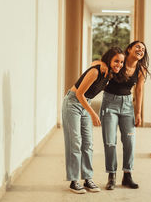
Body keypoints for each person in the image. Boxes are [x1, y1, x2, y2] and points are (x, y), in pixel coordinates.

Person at [62, 47, 124, 194]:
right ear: (109, 60)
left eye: (121, 62)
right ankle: (74, 181)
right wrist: (93, 114)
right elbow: (79, 94)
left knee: (88, 143)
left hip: (85, 104)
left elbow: (94, 62)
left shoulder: (108, 73)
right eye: (116, 61)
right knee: (75, 142)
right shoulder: (96, 71)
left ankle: (88, 178)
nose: (119, 65)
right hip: (73, 103)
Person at [99, 41, 151, 190]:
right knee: (110, 142)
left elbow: (139, 91)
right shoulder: (118, 62)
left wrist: (138, 112)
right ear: (129, 49)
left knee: (129, 141)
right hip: (110, 104)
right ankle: (112, 175)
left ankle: (127, 175)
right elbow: (100, 63)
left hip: (127, 106)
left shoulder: (141, 69)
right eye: (137, 47)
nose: (140, 50)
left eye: (143, 49)